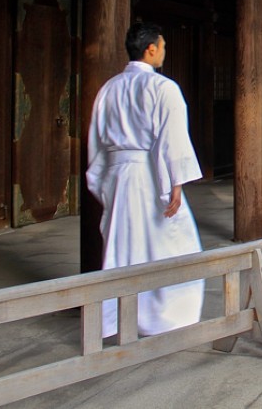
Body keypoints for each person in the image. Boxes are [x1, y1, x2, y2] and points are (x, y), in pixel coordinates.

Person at [86, 21, 204, 338]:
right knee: (168, 242)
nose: (163, 53)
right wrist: (175, 183)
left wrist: (102, 182)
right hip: (150, 174)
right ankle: (165, 316)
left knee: (122, 245)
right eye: (162, 47)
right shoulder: (162, 89)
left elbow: (96, 141)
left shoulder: (108, 88)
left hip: (117, 175)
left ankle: (115, 319)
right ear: (151, 49)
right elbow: (172, 139)